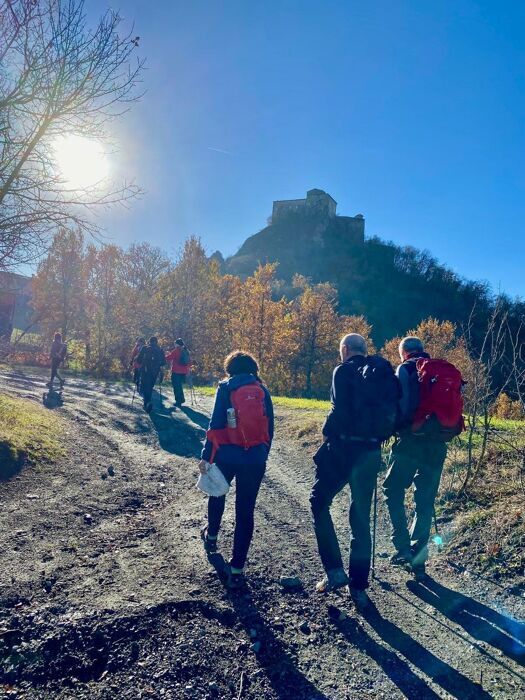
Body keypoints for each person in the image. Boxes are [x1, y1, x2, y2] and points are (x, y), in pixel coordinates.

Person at [310, 333, 399, 608]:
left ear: (345, 350)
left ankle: (335, 570)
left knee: (318, 501)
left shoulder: (343, 370)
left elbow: (339, 411)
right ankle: (359, 586)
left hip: (342, 449)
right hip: (371, 452)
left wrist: (326, 434)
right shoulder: (381, 373)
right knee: (360, 517)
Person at [383, 336, 459, 581]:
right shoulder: (442, 369)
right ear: (422, 351)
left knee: (392, 488)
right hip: (437, 444)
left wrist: (392, 429)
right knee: (425, 499)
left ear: (403, 352)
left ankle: (403, 546)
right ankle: (418, 559)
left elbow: (403, 406)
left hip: (411, 442)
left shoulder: (405, 369)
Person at [199, 351, 274, 589]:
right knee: (245, 510)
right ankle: (237, 568)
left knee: (217, 492)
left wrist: (206, 457)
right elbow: (270, 428)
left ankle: (211, 539)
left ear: (229, 368)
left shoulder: (226, 388)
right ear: (254, 368)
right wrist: (262, 454)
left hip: (226, 455)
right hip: (254, 458)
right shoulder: (262, 389)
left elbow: (214, 425)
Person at [136, 336, 166, 412]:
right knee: (150, 386)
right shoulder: (160, 350)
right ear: (156, 342)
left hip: (145, 370)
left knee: (146, 386)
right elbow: (163, 362)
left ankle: (147, 402)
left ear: (149, 341)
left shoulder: (145, 348)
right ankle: (147, 402)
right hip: (155, 372)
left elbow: (139, 360)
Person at [165, 338, 191, 406]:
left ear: (177, 344)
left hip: (176, 371)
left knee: (176, 386)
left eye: (175, 343)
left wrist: (166, 355)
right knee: (179, 386)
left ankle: (178, 401)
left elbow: (169, 358)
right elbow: (188, 361)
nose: (174, 345)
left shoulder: (177, 350)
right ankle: (181, 399)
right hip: (184, 371)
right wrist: (188, 370)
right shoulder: (186, 350)